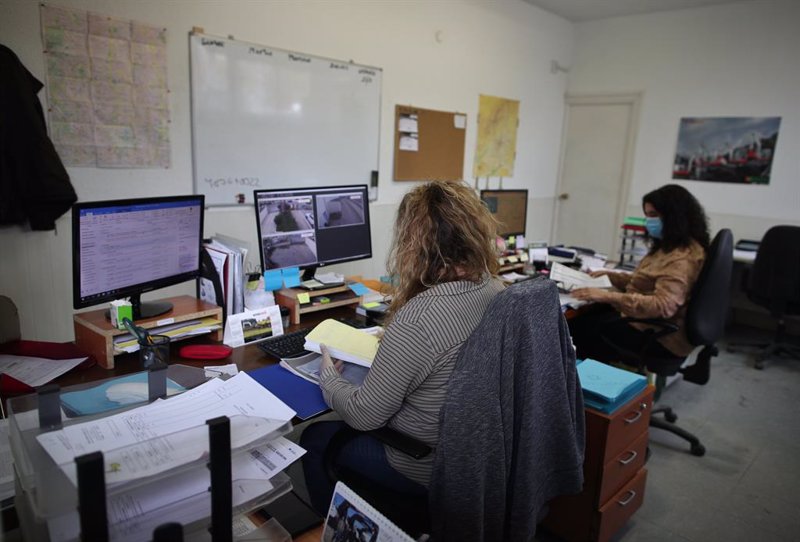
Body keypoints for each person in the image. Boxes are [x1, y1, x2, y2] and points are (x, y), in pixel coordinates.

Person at [300, 180, 505, 514]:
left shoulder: (420, 316)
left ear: (413, 241)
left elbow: (364, 416)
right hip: (475, 454)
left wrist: (329, 378)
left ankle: (334, 530)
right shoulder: (493, 287)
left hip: (422, 461)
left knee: (315, 438)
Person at [568, 184, 710, 362]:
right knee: (588, 317)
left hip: (659, 337)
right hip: (645, 322)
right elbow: (647, 281)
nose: (649, 221)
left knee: (574, 329)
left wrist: (606, 296)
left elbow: (662, 306)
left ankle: (581, 377)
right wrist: (612, 276)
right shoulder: (670, 246)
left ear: (674, 216)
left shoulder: (682, 258)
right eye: (647, 215)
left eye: (653, 215)